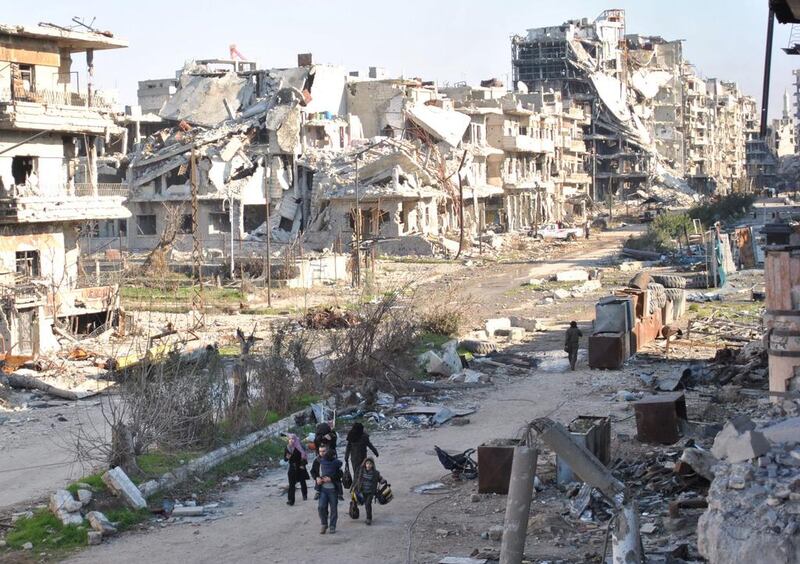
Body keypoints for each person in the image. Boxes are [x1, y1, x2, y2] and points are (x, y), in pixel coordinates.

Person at [310, 444, 342, 534]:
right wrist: (316, 478)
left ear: (327, 451)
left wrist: (331, 478)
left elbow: (340, 474)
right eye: (320, 451)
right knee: (321, 507)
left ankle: (332, 526)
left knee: (333, 509)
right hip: (322, 489)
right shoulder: (317, 461)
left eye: (323, 451)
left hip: (333, 489)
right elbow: (313, 471)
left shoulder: (334, 461)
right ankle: (324, 524)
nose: (322, 453)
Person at [354, 457, 383, 525]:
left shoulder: (375, 473)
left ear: (373, 465)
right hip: (362, 491)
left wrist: (383, 481)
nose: (368, 465)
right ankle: (354, 512)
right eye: (367, 463)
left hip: (370, 492)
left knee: (368, 504)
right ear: (365, 464)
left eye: (370, 464)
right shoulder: (361, 471)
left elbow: (380, 479)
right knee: (357, 501)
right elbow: (356, 479)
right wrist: (354, 487)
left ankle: (369, 518)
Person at [283, 433, 309, 506]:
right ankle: (291, 500)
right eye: (290, 439)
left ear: (295, 439)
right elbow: (285, 459)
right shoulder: (287, 448)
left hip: (300, 466)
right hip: (292, 467)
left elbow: (304, 457)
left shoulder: (299, 447)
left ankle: (304, 495)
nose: (291, 440)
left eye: (293, 439)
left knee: (302, 481)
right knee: (291, 484)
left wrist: (302, 465)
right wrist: (287, 457)